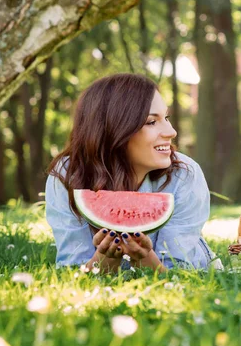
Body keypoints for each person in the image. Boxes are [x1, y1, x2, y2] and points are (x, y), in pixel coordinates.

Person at [46, 73, 216, 273]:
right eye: (151, 122)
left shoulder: (185, 174)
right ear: (115, 128)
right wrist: (104, 259)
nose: (171, 132)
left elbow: (177, 272)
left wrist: (145, 258)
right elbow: (73, 269)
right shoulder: (68, 173)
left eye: (166, 118)